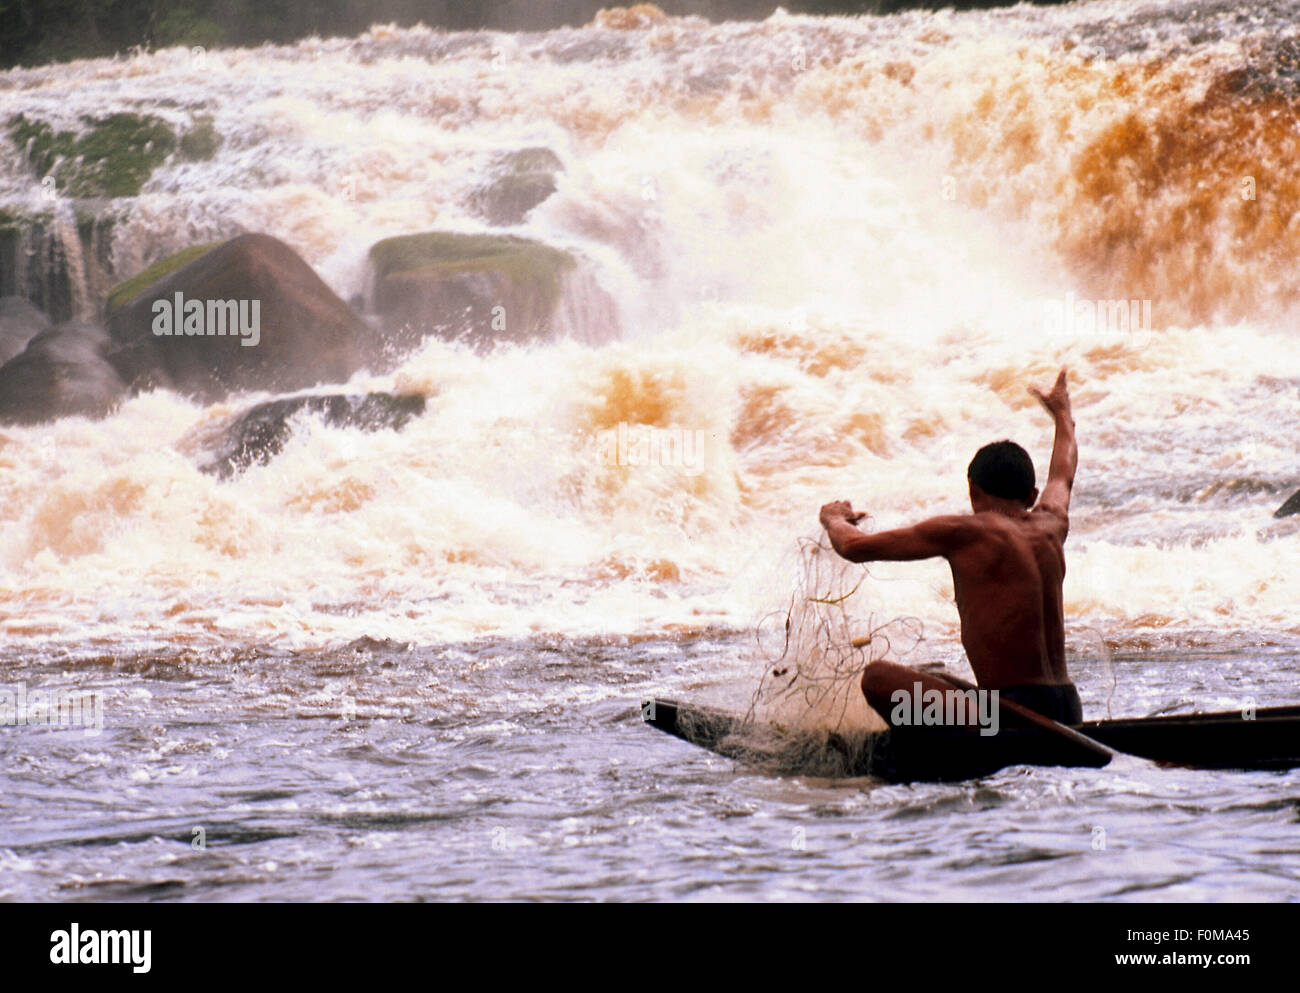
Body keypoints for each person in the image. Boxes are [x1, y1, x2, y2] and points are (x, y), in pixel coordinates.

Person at [818, 368, 1083, 726]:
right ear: (1032, 495)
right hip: (1066, 708)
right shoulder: (1052, 523)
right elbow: (1062, 473)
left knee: (878, 680)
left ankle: (934, 744)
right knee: (938, 680)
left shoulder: (964, 531)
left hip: (1010, 718)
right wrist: (1063, 416)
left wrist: (834, 518)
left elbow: (852, 547)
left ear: (973, 490)